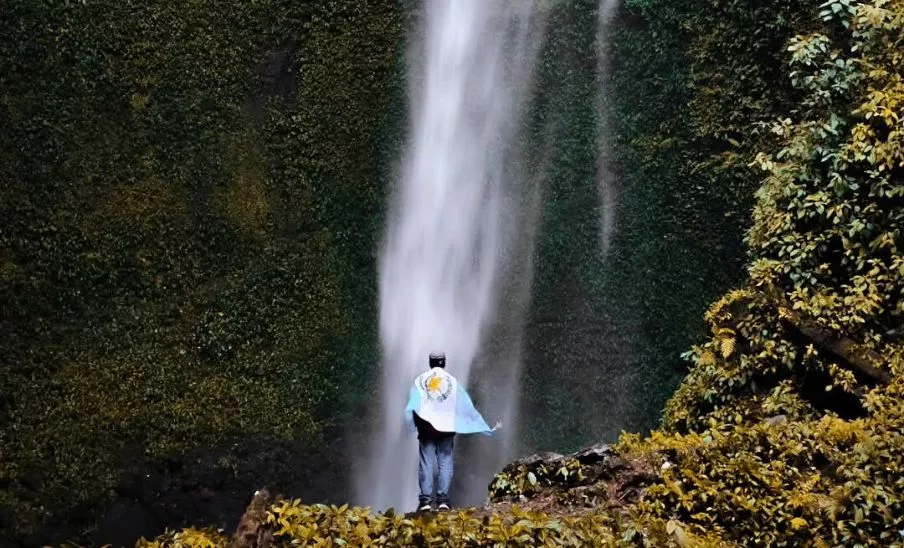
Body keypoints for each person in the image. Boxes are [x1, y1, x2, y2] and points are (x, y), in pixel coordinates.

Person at [404, 351, 499, 512]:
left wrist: (413, 425)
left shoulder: (420, 380)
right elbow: (464, 405)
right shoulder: (452, 382)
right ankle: (443, 500)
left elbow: (413, 404)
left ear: (430, 363)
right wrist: (472, 422)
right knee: (445, 462)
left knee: (426, 463)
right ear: (444, 363)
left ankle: (425, 501)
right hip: (446, 427)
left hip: (426, 428)